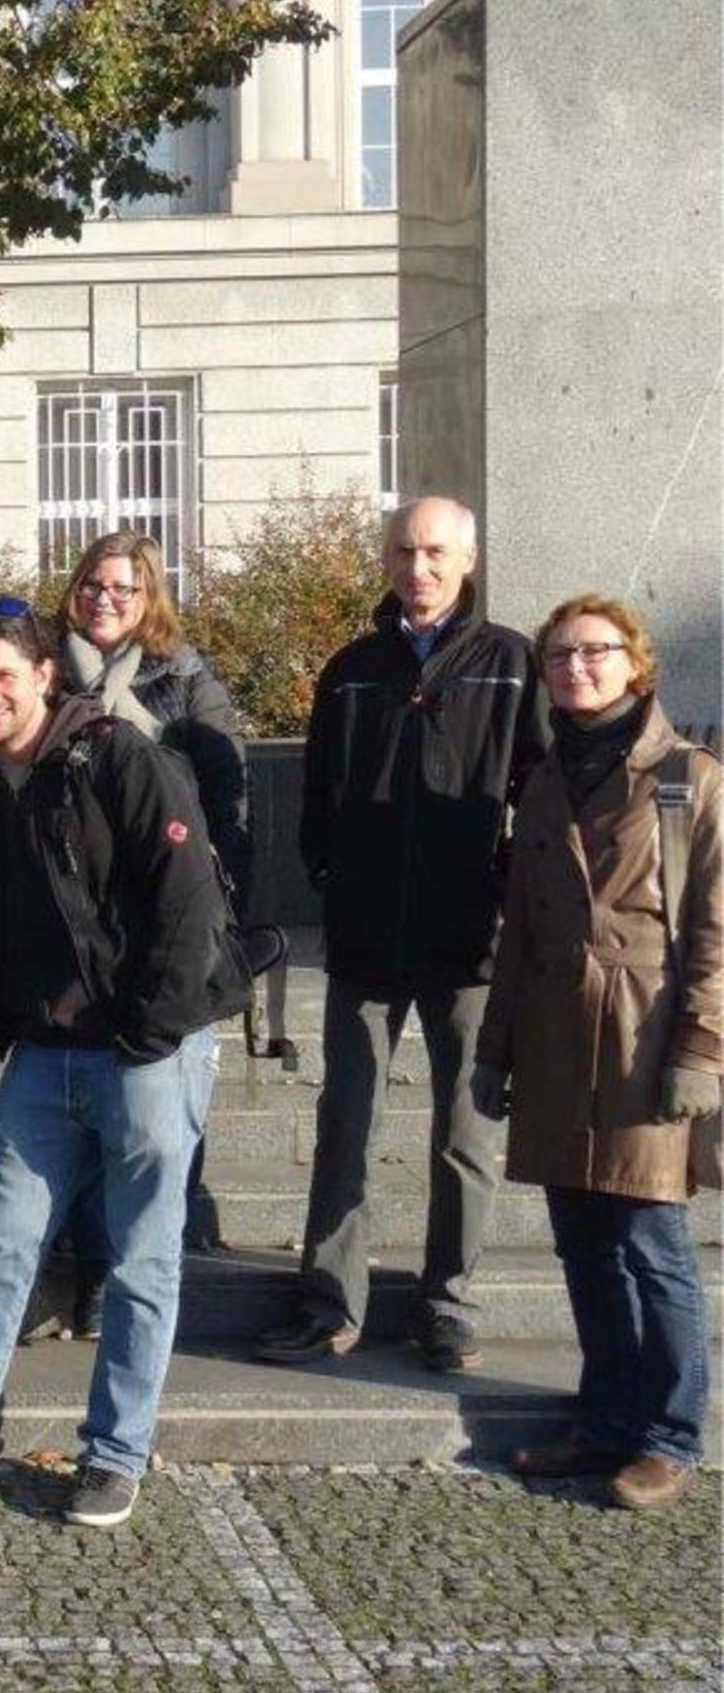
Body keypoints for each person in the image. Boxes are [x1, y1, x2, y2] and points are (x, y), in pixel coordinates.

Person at [0, 599, 234, 1530]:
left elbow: (188, 905)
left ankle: (114, 1456)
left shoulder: (119, 759)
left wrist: (144, 1034)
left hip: (148, 1051)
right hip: (40, 1061)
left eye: (2, 675)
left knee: (141, 1262)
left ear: (44, 676)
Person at [258, 497, 549, 1372]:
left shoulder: (512, 663)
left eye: (433, 553)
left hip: (468, 942)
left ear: (467, 560)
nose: (416, 569)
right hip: (366, 937)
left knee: (466, 1132)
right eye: (401, 552)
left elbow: (537, 790)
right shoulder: (352, 668)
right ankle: (329, 1301)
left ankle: (447, 1304)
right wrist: (332, 873)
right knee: (346, 1123)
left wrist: (502, 888)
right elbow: (318, 792)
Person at [479, 596, 719, 1512]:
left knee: (651, 1242)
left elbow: (716, 931)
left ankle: (670, 1435)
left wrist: (702, 1049)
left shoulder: (689, 777)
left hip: (643, 1038)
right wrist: (496, 1050)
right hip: (554, 1035)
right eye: (559, 655)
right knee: (582, 1243)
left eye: (595, 651)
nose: (575, 667)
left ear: (635, 663)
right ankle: (607, 1418)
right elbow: (519, 932)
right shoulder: (545, 781)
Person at [43, 532, 252, 1328]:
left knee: (154, 1104)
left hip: (163, 913)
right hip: (69, 916)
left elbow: (228, 796)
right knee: (80, 1096)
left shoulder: (184, 678)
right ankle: (87, 1265)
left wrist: (219, 910)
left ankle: (140, 1272)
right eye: (92, 584)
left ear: (149, 598)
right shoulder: (42, 669)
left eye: (123, 589)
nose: (103, 599)